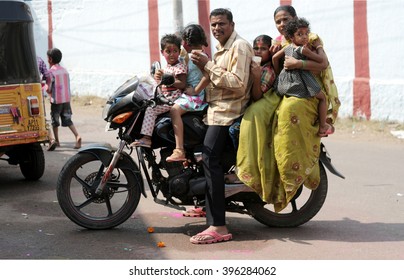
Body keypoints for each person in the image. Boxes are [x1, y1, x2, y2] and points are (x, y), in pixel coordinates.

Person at [237, 5, 340, 212]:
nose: (282, 24)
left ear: (294, 19)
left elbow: (323, 63)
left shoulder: (310, 39)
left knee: (286, 114)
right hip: (283, 89)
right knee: (253, 113)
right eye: (278, 21)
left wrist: (297, 65)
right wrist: (280, 75)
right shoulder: (278, 43)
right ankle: (256, 171)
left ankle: (289, 173)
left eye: (285, 19)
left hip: (307, 89)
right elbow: (273, 62)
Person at [189, 8, 253, 244]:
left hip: (228, 112)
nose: (217, 28)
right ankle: (205, 207)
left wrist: (208, 64)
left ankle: (219, 226)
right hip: (214, 110)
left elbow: (237, 83)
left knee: (210, 159)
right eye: (213, 25)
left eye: (221, 24)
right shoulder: (220, 49)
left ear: (232, 24)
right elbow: (211, 78)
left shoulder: (240, 46)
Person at [272, 17, 334, 137]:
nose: (305, 37)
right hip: (301, 82)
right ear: (291, 37)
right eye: (300, 34)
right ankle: (322, 126)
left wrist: (279, 74)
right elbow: (321, 61)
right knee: (322, 98)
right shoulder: (303, 49)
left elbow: (274, 58)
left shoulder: (287, 48)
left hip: (284, 86)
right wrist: (319, 47)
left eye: (306, 33)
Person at [131, 34, 187, 148]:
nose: (172, 54)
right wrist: (157, 78)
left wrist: (169, 80)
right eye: (168, 51)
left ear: (179, 51)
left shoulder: (180, 67)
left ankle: (146, 138)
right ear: (162, 52)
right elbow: (159, 85)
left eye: (175, 51)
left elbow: (182, 84)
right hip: (164, 97)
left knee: (151, 110)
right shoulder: (164, 68)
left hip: (173, 99)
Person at [166, 24, 209, 162]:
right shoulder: (194, 54)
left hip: (196, 96)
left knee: (174, 111)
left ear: (185, 42)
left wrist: (195, 90)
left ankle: (179, 150)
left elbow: (208, 76)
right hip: (191, 93)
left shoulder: (197, 56)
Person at [228, 34, 277, 150]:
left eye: (263, 49)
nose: (259, 52)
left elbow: (257, 97)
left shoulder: (267, 70)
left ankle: (241, 158)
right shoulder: (251, 65)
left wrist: (257, 76)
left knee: (234, 130)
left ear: (270, 51)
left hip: (259, 112)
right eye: (256, 48)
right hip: (244, 107)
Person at [46, 48, 82, 150]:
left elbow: (48, 89)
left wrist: (45, 88)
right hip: (66, 100)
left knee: (55, 121)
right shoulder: (65, 71)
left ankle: (57, 141)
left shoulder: (50, 72)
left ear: (50, 59)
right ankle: (77, 136)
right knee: (68, 119)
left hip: (56, 101)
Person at [37, 56, 57, 151]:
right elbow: (47, 75)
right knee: (41, 116)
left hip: (18, 91)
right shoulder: (38, 59)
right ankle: (51, 138)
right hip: (36, 90)